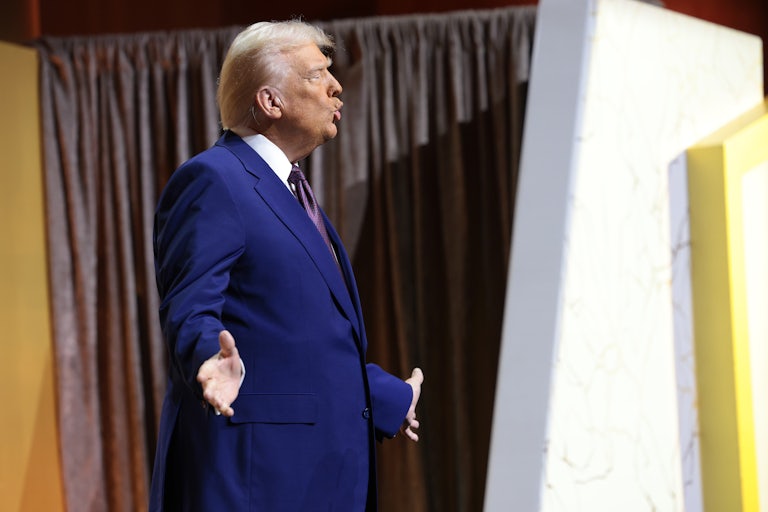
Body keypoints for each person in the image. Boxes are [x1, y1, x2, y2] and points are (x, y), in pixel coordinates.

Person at [148, 19, 424, 512]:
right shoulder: (214, 180)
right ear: (271, 101)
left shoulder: (292, 192)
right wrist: (208, 361)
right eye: (318, 74)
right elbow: (190, 308)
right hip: (259, 481)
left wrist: (384, 396)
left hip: (319, 476)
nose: (336, 85)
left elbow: (298, 334)